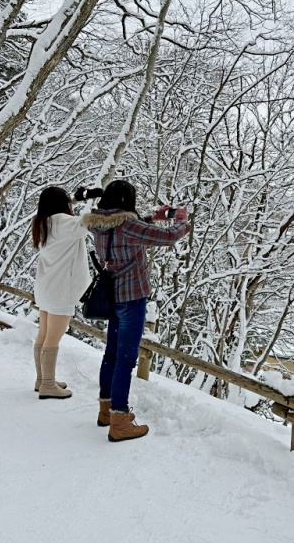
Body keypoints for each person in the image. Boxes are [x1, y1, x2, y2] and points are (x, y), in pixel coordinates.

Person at [82, 180, 191, 442]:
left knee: (111, 354)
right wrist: (182, 222)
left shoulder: (97, 223)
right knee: (126, 358)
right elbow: (167, 237)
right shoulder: (129, 226)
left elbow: (126, 227)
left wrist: (152, 217)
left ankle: (106, 410)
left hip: (111, 299)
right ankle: (120, 419)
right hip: (132, 299)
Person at [32, 185, 101, 400]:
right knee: (53, 338)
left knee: (43, 336)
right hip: (61, 290)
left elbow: (75, 219)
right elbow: (89, 221)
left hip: (45, 288)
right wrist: (89, 199)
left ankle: (42, 379)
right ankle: (48, 385)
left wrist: (77, 200)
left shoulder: (42, 222)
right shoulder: (64, 222)